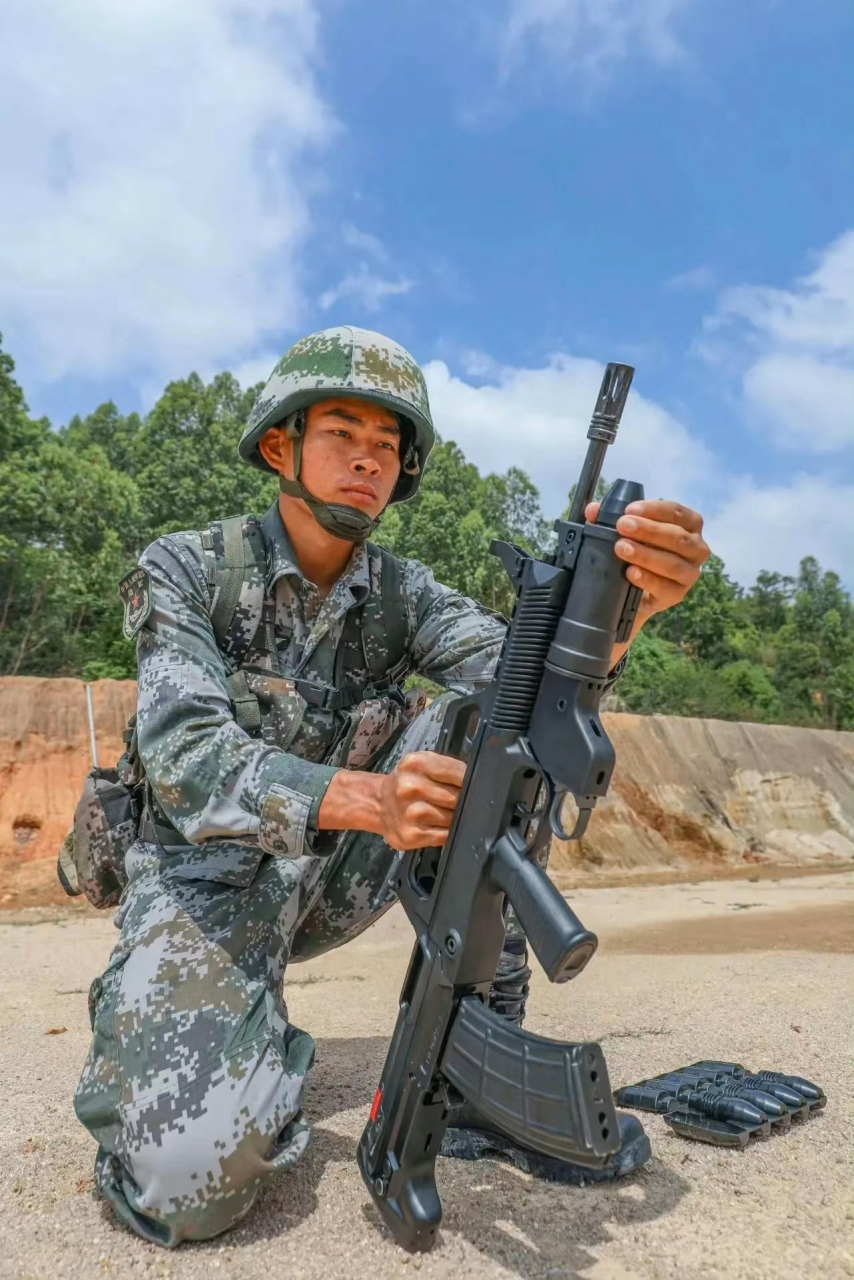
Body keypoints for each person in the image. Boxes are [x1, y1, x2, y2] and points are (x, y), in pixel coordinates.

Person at [74, 326, 710, 1248]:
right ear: (279, 445)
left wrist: (624, 608)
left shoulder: (404, 596)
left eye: (388, 446)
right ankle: (173, 1041)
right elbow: (186, 759)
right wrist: (371, 800)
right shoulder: (188, 568)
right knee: (186, 1183)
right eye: (343, 433)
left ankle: (471, 1077)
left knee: (490, 735)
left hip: (333, 875)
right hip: (201, 886)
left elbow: (524, 686)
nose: (369, 460)